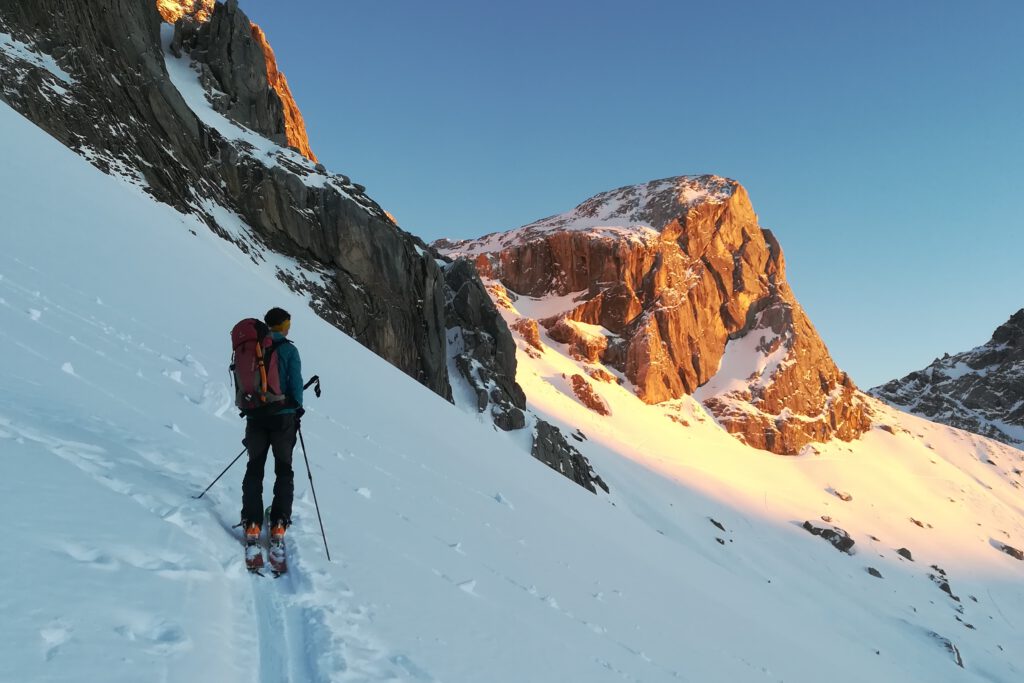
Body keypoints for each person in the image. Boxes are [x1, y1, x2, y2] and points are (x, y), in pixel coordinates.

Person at [240, 307, 304, 545]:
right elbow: (295, 386)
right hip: (282, 418)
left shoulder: (254, 347)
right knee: (284, 469)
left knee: (254, 467)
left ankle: (253, 524)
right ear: (283, 325)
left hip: (256, 415)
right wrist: (297, 408)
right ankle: (278, 524)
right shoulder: (289, 350)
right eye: (288, 323)